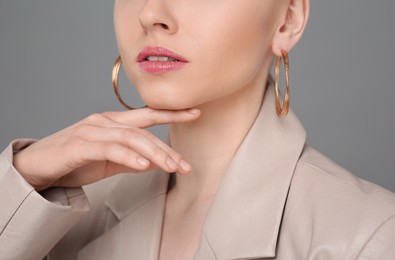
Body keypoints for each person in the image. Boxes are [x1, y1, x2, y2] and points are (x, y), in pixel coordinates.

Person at [1, 0, 394, 259]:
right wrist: (22, 179)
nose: (151, 13)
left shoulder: (368, 235)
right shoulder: (57, 214)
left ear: (288, 19)